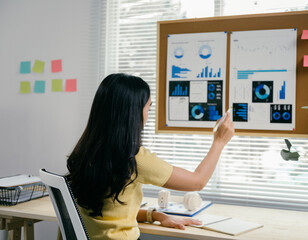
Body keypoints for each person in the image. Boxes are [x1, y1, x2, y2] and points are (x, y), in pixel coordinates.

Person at [66, 73, 234, 240]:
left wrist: (156, 215)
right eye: (148, 108)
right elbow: (198, 181)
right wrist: (219, 141)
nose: (148, 114)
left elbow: (111, 214)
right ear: (133, 113)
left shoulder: (85, 152)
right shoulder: (134, 158)